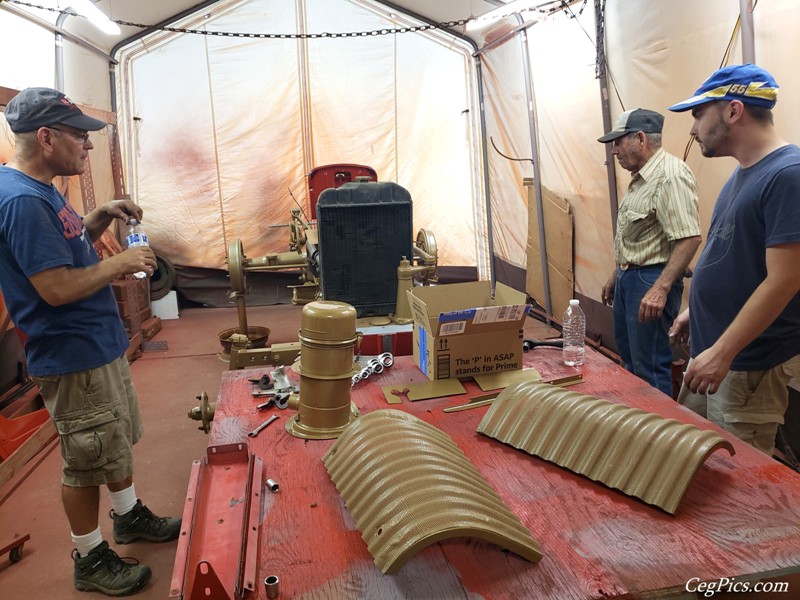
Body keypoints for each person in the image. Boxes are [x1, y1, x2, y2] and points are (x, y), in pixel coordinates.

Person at [0, 87, 180, 595]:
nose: (89, 145)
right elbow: (53, 288)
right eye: (80, 135)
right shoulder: (20, 201)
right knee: (84, 460)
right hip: (70, 352)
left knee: (111, 442)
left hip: (95, 342)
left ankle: (128, 517)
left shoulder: (43, 187)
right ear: (46, 136)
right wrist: (118, 264)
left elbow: (64, 246)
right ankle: (90, 556)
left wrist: (96, 219)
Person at [667, 64, 800, 456]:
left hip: (743, 365)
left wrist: (724, 352)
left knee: (741, 487)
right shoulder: (743, 174)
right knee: (698, 460)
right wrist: (697, 308)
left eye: (698, 114)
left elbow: (785, 280)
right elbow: (729, 252)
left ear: (733, 110)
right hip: (712, 355)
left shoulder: (788, 176)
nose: (692, 129)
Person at [597, 108, 702, 396]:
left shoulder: (670, 175)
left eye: (619, 142)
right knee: (631, 360)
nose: (615, 150)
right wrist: (616, 274)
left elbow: (689, 238)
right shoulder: (641, 177)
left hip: (651, 281)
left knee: (650, 366)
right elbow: (639, 237)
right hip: (631, 278)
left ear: (641, 138)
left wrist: (661, 288)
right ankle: (638, 425)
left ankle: (659, 434)